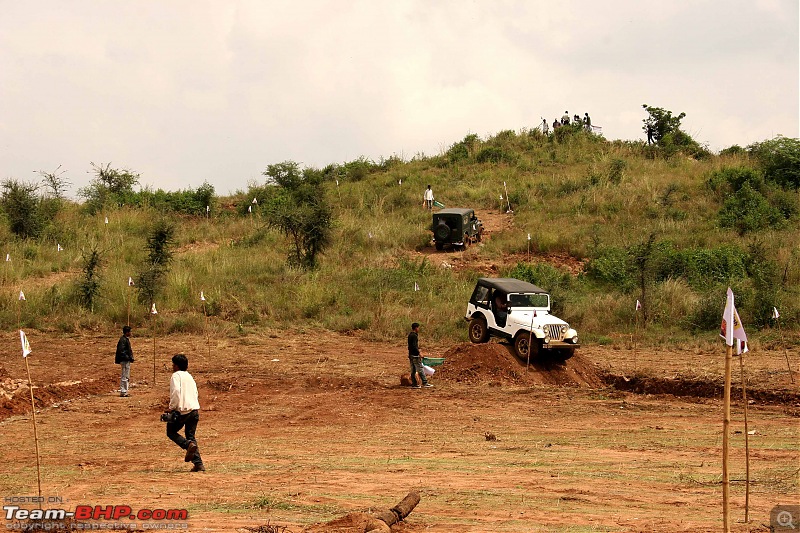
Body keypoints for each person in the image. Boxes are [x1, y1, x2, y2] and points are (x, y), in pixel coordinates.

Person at [165, 354, 205, 472]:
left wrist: (172, 407)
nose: (172, 366)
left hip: (183, 411)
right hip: (194, 410)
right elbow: (196, 392)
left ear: (176, 366)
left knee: (171, 432)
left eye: (173, 364)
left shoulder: (176, 376)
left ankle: (187, 445)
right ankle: (199, 464)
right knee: (191, 436)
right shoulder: (189, 376)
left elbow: (176, 392)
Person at [407, 323, 432, 388]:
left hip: (411, 355)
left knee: (413, 370)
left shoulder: (410, 335)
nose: (419, 329)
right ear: (416, 328)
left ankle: (414, 384)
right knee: (420, 369)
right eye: (418, 328)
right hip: (415, 355)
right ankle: (425, 382)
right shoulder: (414, 336)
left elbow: (410, 346)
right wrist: (419, 353)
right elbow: (414, 346)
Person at [115, 325, 134, 397]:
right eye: (130, 332)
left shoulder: (125, 339)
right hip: (125, 360)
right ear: (127, 332)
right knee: (125, 376)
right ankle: (123, 391)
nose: (131, 333)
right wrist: (127, 358)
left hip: (126, 360)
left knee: (126, 375)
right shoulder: (123, 340)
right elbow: (122, 351)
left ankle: (124, 390)